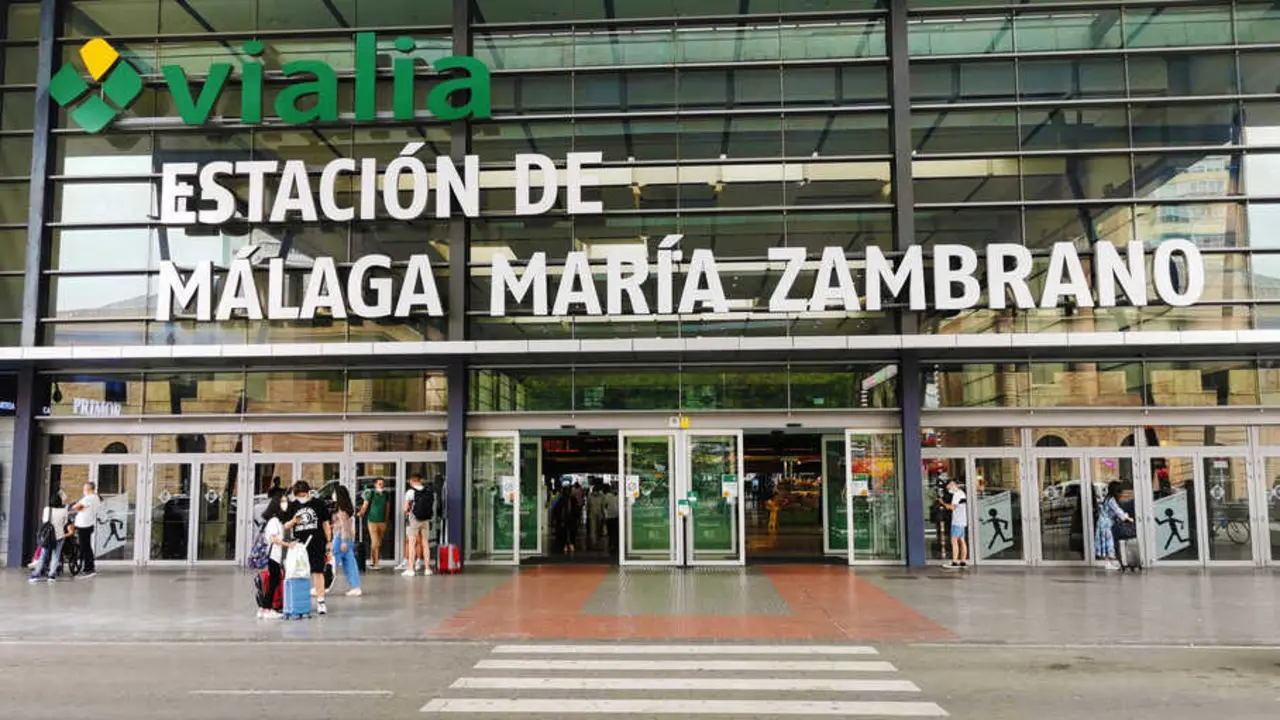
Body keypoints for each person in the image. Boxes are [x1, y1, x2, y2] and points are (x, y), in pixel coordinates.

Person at [284, 481, 332, 615]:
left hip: (317, 542)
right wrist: (294, 521)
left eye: (304, 495)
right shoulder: (293, 506)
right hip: (299, 546)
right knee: (299, 572)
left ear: (309, 492)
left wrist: (329, 541)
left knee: (318, 571)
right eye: (299, 495)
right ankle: (299, 601)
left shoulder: (318, 504)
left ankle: (321, 601)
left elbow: (325, 523)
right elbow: (286, 526)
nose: (302, 497)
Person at [258, 489, 295, 619]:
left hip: (276, 556)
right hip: (273, 556)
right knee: (273, 583)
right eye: (283, 502)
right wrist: (287, 544)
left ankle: (263, 608)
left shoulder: (278, 520)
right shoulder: (274, 521)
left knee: (273, 583)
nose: (285, 504)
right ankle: (267, 608)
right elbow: (274, 539)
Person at [29, 493, 72, 583]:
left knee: (43, 555)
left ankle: (35, 575)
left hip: (48, 536)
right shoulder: (64, 511)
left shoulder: (47, 510)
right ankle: (51, 575)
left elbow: (45, 521)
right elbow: (65, 523)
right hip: (59, 535)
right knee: (56, 556)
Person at [330, 486, 364, 596]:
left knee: (332, 563)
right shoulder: (347, 508)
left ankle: (324, 585)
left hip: (341, 538)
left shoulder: (341, 510)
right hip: (348, 538)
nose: (333, 495)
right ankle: (355, 586)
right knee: (350, 563)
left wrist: (343, 541)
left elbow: (344, 527)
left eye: (335, 493)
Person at [1096, 480, 1133, 571]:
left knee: (1106, 543)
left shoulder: (1107, 498)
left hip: (1103, 523)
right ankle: (1108, 563)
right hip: (1106, 524)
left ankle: (1109, 562)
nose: (1121, 494)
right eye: (1120, 492)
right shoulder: (1111, 500)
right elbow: (1118, 511)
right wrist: (1128, 518)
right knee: (1108, 543)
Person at [69, 482, 102, 579]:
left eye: (84, 489)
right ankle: (89, 567)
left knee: (85, 547)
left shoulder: (89, 498)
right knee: (86, 546)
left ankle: (89, 569)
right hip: (88, 524)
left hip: (84, 525)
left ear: (89, 489)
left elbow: (75, 507)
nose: (83, 491)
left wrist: (77, 506)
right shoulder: (96, 498)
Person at [403, 475, 434, 577]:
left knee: (412, 543)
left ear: (412, 481)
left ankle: (411, 569)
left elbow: (405, 508)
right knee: (425, 544)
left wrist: (407, 514)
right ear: (420, 481)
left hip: (414, 519)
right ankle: (427, 569)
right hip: (426, 519)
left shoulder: (410, 492)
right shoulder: (428, 491)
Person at [358, 478, 389, 570]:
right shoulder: (371, 493)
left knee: (378, 542)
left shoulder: (386, 494)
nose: (382, 486)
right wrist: (361, 513)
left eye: (383, 484)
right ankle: (373, 563)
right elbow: (365, 505)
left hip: (382, 522)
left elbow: (387, 507)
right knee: (375, 542)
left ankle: (375, 561)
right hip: (372, 521)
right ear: (375, 485)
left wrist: (386, 521)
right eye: (380, 484)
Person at [943, 479, 968, 569]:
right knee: (962, 541)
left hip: (957, 521)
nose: (948, 489)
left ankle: (954, 562)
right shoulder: (961, 493)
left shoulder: (957, 495)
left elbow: (952, 507)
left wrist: (943, 504)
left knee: (954, 541)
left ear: (953, 484)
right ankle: (963, 561)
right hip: (962, 521)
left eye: (948, 487)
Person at [586, 483, 606, 551]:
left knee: (597, 528)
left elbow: (603, 506)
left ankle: (596, 540)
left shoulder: (601, 496)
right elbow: (588, 506)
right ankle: (594, 542)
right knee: (593, 528)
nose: (595, 492)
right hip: (593, 514)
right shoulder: (590, 496)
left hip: (598, 514)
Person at [603, 484, 620, 556]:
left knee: (612, 532)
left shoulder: (608, 497)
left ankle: (613, 545)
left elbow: (604, 506)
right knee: (614, 531)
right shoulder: (612, 496)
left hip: (612, 517)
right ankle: (614, 545)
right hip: (613, 516)